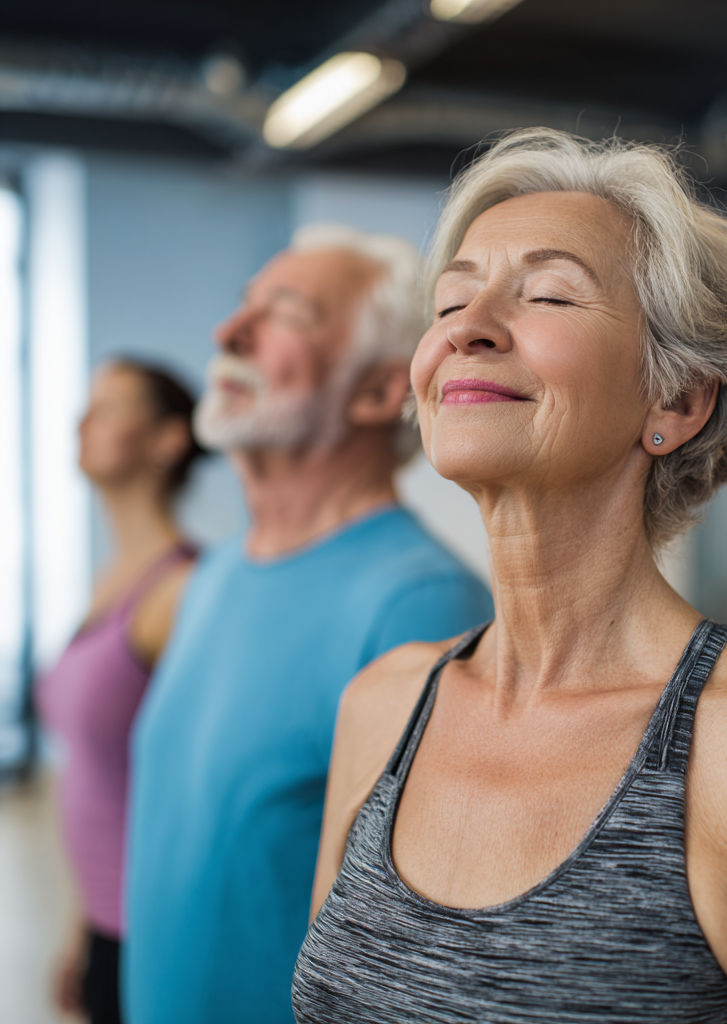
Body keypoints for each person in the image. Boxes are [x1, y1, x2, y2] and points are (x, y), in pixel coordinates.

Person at [291, 129, 727, 1024]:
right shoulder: (382, 706)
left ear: (677, 400)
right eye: (450, 301)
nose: (467, 327)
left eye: (547, 293)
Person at [123, 223, 493, 1024]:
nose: (229, 335)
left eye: (283, 313)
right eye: (240, 307)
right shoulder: (213, 576)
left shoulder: (422, 608)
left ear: (375, 392)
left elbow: (426, 953)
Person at [38, 359, 203, 1024]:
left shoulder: (183, 592)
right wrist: (79, 926)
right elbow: (96, 780)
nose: (82, 422)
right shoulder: (109, 578)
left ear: (168, 440)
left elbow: (192, 793)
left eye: (109, 407)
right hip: (104, 918)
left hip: (155, 930)